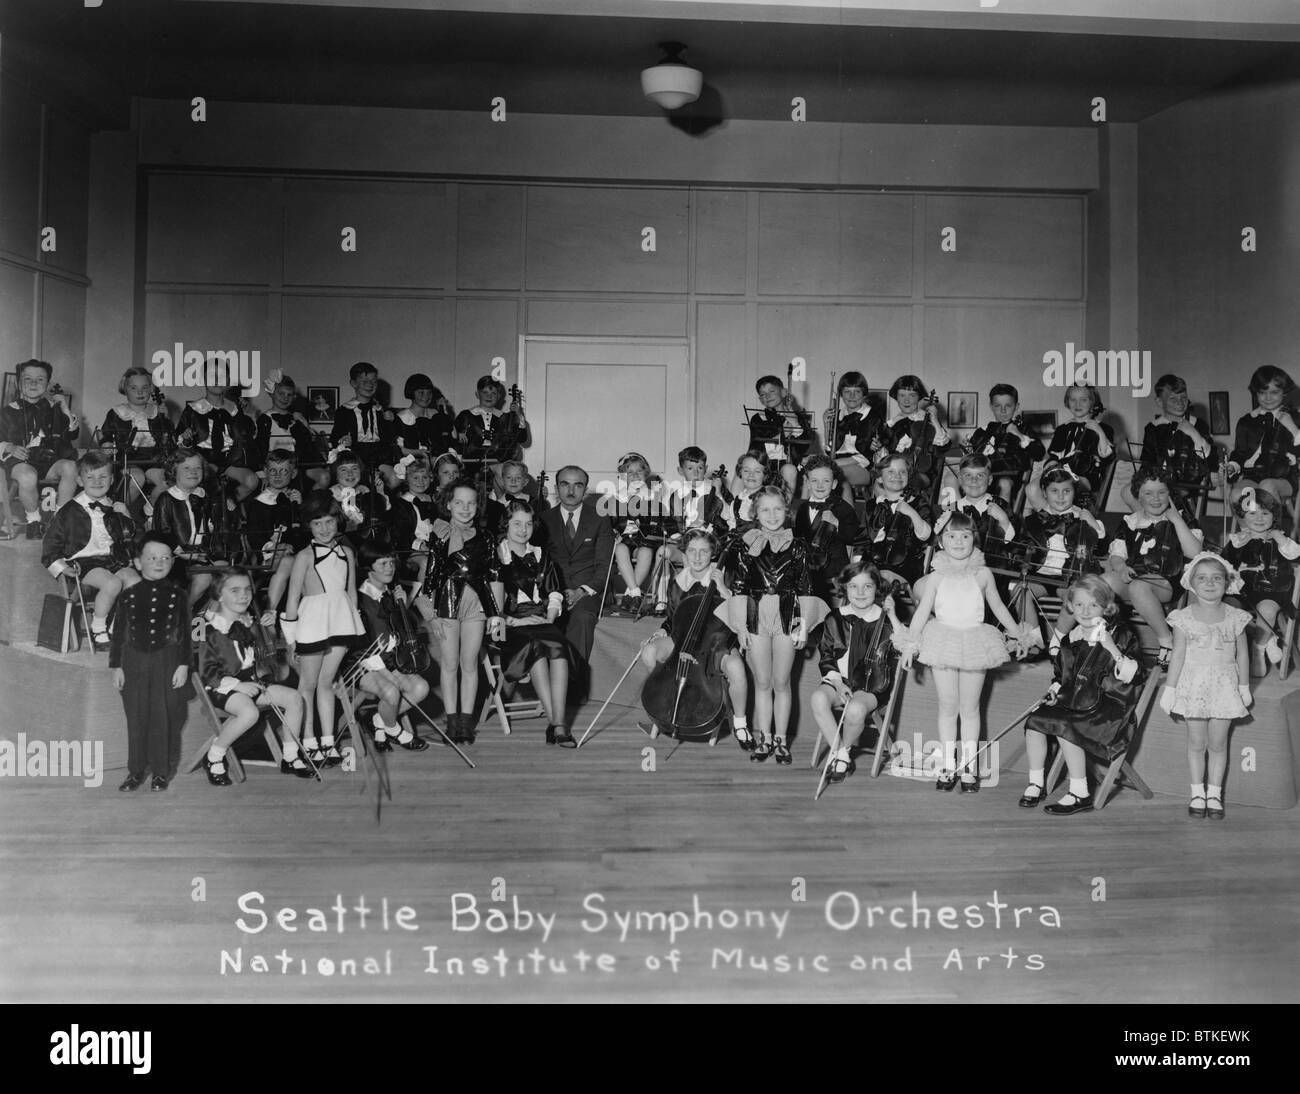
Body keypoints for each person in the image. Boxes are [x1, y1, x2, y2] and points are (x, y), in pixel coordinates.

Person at [894, 512, 1035, 793]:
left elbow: (997, 607)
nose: (959, 541)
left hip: (975, 642)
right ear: (941, 541)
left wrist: (1019, 634)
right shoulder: (934, 578)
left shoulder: (983, 574)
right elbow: (922, 613)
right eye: (951, 536)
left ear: (975, 539)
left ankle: (969, 766)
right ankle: (948, 765)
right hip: (941, 641)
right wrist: (910, 644)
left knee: (970, 709)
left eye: (965, 536)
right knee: (948, 707)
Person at [717, 486, 830, 764]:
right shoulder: (746, 543)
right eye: (765, 510)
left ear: (787, 511)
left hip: (787, 614)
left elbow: (805, 587)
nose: (772, 515)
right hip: (755, 614)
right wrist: (741, 627)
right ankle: (764, 737)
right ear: (755, 513)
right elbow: (739, 586)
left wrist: (803, 625)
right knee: (763, 681)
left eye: (778, 509)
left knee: (781, 682)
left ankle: (781, 740)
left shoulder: (799, 545)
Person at [1019, 575, 1145, 815]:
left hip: (1109, 709)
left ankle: (1080, 793)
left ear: (1106, 608)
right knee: (1036, 720)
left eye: (1093, 605)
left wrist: (1111, 648)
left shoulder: (1121, 635)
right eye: (1079, 605)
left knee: (1066, 724)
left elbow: (1135, 675)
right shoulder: (1071, 638)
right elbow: (1061, 677)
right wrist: (1053, 693)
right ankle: (1036, 783)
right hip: (1075, 702)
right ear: (1070, 607)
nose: (1085, 611)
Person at [1159, 553, 1252, 821]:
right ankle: (1197, 792)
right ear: (1191, 583)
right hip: (1193, 687)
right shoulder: (1183, 617)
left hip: (1224, 687)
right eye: (1202, 578)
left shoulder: (1237, 617)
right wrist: (1170, 688)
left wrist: (1244, 686)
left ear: (1226, 582)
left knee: (1218, 743)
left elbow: (1243, 655)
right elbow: (1177, 655)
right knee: (1197, 742)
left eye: (1216, 578)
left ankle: (1214, 793)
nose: (1209, 583)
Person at [198, 568, 312, 782]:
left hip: (252, 682)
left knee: (295, 699)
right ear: (219, 595)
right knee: (250, 713)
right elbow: (207, 671)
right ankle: (214, 756)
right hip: (222, 687)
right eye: (235, 590)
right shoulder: (210, 628)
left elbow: (260, 653)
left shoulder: (247, 622)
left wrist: (266, 629)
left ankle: (290, 756)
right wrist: (237, 686)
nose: (243, 595)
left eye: (247, 589)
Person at [641, 528, 750, 750]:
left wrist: (723, 590)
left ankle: (740, 723)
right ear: (684, 554)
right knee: (649, 651)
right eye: (691, 551)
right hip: (683, 640)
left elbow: (741, 616)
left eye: (703, 551)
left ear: (713, 554)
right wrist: (663, 630)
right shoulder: (678, 582)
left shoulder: (726, 575)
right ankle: (666, 701)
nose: (697, 557)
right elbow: (673, 619)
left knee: (737, 669)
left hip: (717, 641)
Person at [281, 490, 365, 766]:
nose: (325, 528)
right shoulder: (304, 556)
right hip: (311, 623)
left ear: (338, 522)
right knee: (308, 684)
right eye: (317, 523)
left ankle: (328, 742)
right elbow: (292, 598)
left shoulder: (348, 553)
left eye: (329, 521)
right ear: (309, 526)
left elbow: (351, 592)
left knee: (327, 683)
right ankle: (308, 741)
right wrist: (291, 639)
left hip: (340, 621)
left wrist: (356, 627)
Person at [420, 479, 505, 744]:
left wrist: (496, 614)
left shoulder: (487, 537)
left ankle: (466, 723)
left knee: (470, 663)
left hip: (476, 604)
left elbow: (494, 575)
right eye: (459, 503)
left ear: (477, 507)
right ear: (448, 504)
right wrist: (431, 614)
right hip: (447, 602)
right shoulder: (440, 533)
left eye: (471, 503)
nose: (465, 508)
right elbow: (431, 576)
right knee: (449, 663)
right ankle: (451, 720)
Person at [110, 531, 190, 792]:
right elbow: (119, 633)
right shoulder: (128, 596)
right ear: (137, 562)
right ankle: (135, 772)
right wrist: (117, 666)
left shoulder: (179, 596)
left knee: (162, 717)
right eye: (152, 557)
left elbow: (185, 633)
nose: (159, 562)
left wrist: (183, 664)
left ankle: (160, 772)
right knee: (136, 718)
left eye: (166, 558)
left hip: (166, 661)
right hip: (133, 661)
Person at [1103, 466, 1204, 667]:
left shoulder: (1182, 518)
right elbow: (1116, 556)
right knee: (1102, 582)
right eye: (1148, 493)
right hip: (1135, 575)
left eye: (1162, 492)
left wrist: (1176, 519)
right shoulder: (1131, 521)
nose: (1155, 498)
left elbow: (1195, 553)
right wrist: (1121, 567)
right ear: (1138, 496)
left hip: (1167, 580)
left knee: (1138, 587)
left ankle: (1166, 641)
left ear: (1170, 494)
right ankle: (1108, 637)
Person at [810, 562, 902, 783]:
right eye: (853, 587)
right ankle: (841, 754)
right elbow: (826, 656)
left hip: (871, 684)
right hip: (839, 680)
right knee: (817, 698)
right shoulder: (835, 617)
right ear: (845, 588)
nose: (860, 593)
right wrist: (838, 684)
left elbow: (906, 646)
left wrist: (895, 616)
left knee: (855, 709)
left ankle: (844, 753)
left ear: (877, 589)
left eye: (867, 587)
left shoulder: (885, 619)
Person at [43, 451, 141, 650]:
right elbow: (50, 546)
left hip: (114, 560)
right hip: (84, 563)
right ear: (79, 480)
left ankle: (116, 627)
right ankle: (98, 628)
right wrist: (62, 568)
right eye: (90, 477)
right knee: (112, 583)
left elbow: (128, 538)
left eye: (103, 476)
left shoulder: (114, 507)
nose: (97, 481)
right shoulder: (68, 511)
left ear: (112, 480)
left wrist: (127, 517)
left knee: (135, 583)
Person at [496, 501, 574, 746]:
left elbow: (553, 592)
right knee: (538, 650)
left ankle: (557, 723)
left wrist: (549, 618)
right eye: (516, 524)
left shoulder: (541, 554)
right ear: (506, 525)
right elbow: (491, 604)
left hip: (540, 620)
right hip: (509, 625)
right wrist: (514, 621)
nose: (523, 529)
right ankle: (558, 725)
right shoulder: (497, 556)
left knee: (559, 650)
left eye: (528, 524)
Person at [1016, 462, 1106, 651]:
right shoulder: (1036, 518)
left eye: (1066, 491)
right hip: (1040, 575)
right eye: (1054, 491)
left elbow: (1100, 543)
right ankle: (1034, 640)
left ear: (1075, 492)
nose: (1060, 496)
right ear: (1044, 492)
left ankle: (1058, 639)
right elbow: (1023, 545)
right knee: (1019, 590)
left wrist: (1092, 523)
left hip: (1068, 577)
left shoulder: (1081, 515)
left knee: (1076, 597)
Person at [539, 466, 614, 691]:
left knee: (581, 618)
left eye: (578, 485)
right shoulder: (542, 520)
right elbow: (539, 565)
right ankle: (544, 683)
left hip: (589, 591)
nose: (571, 490)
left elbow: (604, 566)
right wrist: (555, 592)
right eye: (565, 484)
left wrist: (582, 591)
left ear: (586, 490)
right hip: (553, 590)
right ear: (556, 488)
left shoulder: (600, 518)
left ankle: (571, 687)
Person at [352, 541, 432, 753]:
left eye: (391, 563)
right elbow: (361, 648)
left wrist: (402, 607)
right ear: (369, 567)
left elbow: (404, 633)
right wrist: (386, 673)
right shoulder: (359, 600)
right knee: (391, 691)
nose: (389, 568)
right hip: (361, 665)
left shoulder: (391, 595)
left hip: (390, 659)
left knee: (421, 688)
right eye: (383, 564)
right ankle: (395, 731)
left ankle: (378, 721)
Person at [1221, 486, 1300, 676]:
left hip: (1272, 590)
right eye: (1253, 513)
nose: (1259, 518)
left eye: (1265, 513)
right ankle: (1259, 640)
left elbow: (1295, 554)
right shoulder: (1238, 540)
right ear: (1242, 516)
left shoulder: (1279, 538)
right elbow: (1223, 564)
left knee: (1266, 610)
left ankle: (1259, 648)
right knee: (1227, 609)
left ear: (1274, 516)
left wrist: (1280, 539)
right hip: (1242, 590)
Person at [1, 358, 79, 537]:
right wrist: (10, 447)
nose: (34, 383)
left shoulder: (54, 409)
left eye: (40, 379)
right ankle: (33, 520)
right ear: (19, 383)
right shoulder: (7, 411)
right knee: (28, 476)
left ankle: (59, 520)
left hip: (48, 460)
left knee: (70, 467)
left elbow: (71, 435)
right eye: (28, 379)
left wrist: (65, 408)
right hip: (21, 461)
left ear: (48, 383)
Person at [1125, 373, 1219, 516]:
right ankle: (1153, 524)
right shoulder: (1153, 428)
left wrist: (1193, 433)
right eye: (1173, 399)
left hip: (1188, 482)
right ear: (1159, 402)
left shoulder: (1198, 424)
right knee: (1128, 491)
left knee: (1173, 495)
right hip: (1160, 481)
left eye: (1183, 398)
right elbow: (1147, 463)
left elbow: (1211, 461)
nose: (1180, 403)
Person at [850, 452, 933, 592]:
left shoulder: (918, 503)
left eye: (902, 472)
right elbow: (862, 540)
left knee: (880, 578)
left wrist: (911, 512)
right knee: (862, 579)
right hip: (873, 562)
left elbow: (925, 535)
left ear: (909, 476)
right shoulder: (872, 505)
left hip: (905, 564)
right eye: (890, 472)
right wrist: (856, 568)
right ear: (880, 479)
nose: (897, 476)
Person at [99, 365, 175, 516]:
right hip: (128, 459)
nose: (140, 392)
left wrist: (166, 420)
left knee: (167, 481)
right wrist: (107, 445)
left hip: (153, 459)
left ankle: (149, 510)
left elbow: (169, 439)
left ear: (151, 389)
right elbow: (106, 436)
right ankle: (117, 514)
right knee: (137, 477)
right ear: (125, 389)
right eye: (133, 388)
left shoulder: (156, 412)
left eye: (145, 387)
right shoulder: (117, 413)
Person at [243, 449, 307, 614]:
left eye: (284, 471)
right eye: (273, 471)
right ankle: (271, 613)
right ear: (265, 472)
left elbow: (305, 531)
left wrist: (300, 507)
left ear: (293, 474)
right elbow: (255, 536)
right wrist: (274, 546)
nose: (278, 475)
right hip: (270, 555)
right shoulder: (258, 503)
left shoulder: (296, 499)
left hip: (298, 552)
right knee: (287, 562)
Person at [1226, 365, 1300, 505]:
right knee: (1237, 494)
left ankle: (1273, 527)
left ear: (1284, 392)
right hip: (1253, 475)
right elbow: (1240, 453)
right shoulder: (1246, 421)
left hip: (1284, 476)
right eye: (1262, 392)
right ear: (1256, 393)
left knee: (1267, 486)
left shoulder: (1295, 418)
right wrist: (1233, 466)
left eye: (1274, 392)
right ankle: (1250, 527)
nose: (1268, 398)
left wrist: (1292, 427)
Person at [151, 447, 215, 606]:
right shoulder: (166, 499)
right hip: (177, 557)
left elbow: (211, 527)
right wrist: (183, 553)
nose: (193, 471)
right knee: (204, 577)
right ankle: (182, 611)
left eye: (197, 468)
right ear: (174, 471)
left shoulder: (204, 496)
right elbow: (163, 533)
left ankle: (214, 618)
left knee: (231, 573)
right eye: (187, 468)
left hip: (202, 553)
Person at [793, 455, 859, 603]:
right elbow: (799, 537)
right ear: (808, 483)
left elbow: (855, 536)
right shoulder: (802, 508)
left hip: (833, 569)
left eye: (826, 481)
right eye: (814, 481)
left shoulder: (842, 507)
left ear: (834, 484)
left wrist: (837, 524)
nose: (820, 485)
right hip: (807, 568)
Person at [966, 384, 1044, 504]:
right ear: (991, 406)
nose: (1003, 410)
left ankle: (1001, 520)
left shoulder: (1023, 428)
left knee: (1004, 483)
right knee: (956, 480)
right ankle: (955, 517)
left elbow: (1039, 453)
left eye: (1008, 405)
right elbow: (974, 458)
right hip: (983, 478)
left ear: (1016, 407)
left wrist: (1019, 434)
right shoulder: (983, 431)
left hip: (1010, 477)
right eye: (997, 406)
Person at [330, 361, 400, 490]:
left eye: (374, 381)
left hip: (379, 456)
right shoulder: (344, 411)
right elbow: (335, 437)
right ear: (353, 383)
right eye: (364, 381)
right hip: (356, 456)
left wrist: (391, 422)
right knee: (364, 481)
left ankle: (384, 505)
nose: (369, 385)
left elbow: (390, 437)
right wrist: (343, 440)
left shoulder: (381, 410)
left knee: (394, 479)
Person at [1042, 384, 1113, 508]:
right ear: (1067, 402)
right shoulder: (1062, 429)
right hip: (1061, 473)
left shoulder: (1104, 428)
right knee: (1032, 488)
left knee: (1063, 486)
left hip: (1087, 477)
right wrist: (1051, 464)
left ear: (1092, 403)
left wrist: (1099, 431)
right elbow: (1054, 455)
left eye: (1083, 400)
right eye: (1073, 400)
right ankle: (1050, 520)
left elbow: (1107, 456)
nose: (1077, 404)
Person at [253, 372, 328, 490]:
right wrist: (263, 474)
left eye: (289, 395)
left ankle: (310, 506)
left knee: (324, 476)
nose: (285, 398)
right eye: (281, 393)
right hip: (275, 470)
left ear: (294, 397)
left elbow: (307, 447)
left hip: (296, 468)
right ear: (271, 393)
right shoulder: (264, 419)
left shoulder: (296, 419)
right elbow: (258, 449)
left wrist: (304, 425)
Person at [606, 452, 658, 614]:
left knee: (646, 552)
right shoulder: (616, 498)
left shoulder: (652, 497)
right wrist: (615, 530)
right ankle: (636, 592)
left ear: (646, 474)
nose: (635, 475)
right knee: (620, 549)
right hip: (624, 540)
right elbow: (609, 524)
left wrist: (644, 526)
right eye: (630, 472)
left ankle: (630, 594)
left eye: (639, 471)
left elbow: (657, 522)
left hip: (644, 540)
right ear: (622, 477)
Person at [823, 371, 887, 498]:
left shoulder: (873, 417)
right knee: (811, 475)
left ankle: (846, 516)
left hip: (861, 466)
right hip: (836, 462)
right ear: (841, 394)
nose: (852, 396)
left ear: (864, 394)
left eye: (857, 391)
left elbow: (866, 455)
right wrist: (826, 425)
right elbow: (830, 449)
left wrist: (834, 463)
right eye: (847, 392)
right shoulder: (837, 415)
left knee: (832, 475)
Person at [881, 375, 949, 490]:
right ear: (896, 397)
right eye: (902, 395)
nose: (906, 400)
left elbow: (943, 445)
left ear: (919, 397)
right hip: (895, 472)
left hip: (922, 472)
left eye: (912, 395)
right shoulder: (892, 423)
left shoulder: (926, 420)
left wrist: (935, 421)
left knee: (905, 482)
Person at [748, 374, 811, 493]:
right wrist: (783, 435)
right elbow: (756, 447)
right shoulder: (758, 418)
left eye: (772, 391)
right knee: (742, 471)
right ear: (760, 400)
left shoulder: (797, 416)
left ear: (783, 392)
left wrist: (796, 424)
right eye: (763, 394)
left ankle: (783, 507)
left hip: (788, 464)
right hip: (764, 464)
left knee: (789, 470)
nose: (767, 396)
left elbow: (803, 447)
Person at [394, 373, 455, 460]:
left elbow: (453, 437)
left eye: (429, 392)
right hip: (412, 465)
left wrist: (444, 411)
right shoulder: (401, 417)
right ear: (412, 392)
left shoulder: (435, 414)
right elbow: (397, 449)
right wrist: (418, 452)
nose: (426, 396)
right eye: (421, 392)